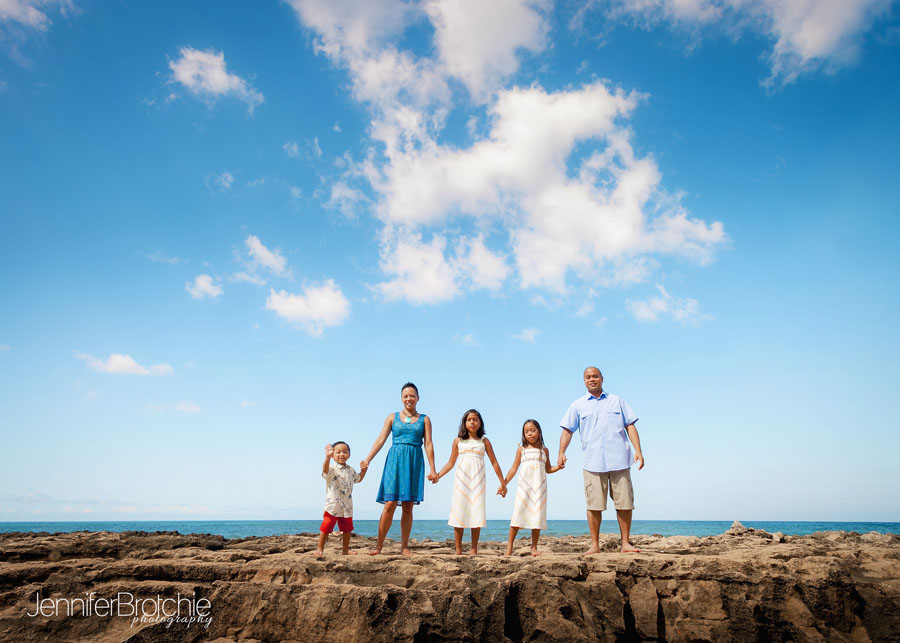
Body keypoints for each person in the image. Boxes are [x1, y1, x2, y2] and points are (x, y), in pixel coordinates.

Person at [558, 367, 645, 554]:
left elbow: (630, 425)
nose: (592, 379)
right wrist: (561, 452)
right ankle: (595, 545)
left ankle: (625, 544)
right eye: (588, 377)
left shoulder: (617, 401)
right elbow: (567, 430)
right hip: (593, 462)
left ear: (602, 379)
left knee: (625, 503)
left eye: (595, 376)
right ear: (584, 381)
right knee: (594, 505)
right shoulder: (577, 405)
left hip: (620, 459)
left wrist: (638, 450)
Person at [362, 382, 437, 556]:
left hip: (414, 460)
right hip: (395, 460)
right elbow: (380, 440)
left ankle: (404, 547)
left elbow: (429, 444)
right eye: (405, 396)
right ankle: (378, 546)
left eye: (412, 396)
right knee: (389, 504)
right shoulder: (392, 417)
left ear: (418, 398)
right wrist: (368, 459)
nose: (409, 398)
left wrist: (433, 469)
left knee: (408, 506)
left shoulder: (425, 419)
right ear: (401, 398)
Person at [433, 409, 507, 555]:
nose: (472, 422)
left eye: (475, 419)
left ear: (480, 423)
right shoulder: (458, 441)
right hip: (461, 482)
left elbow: (494, 462)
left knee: (476, 513)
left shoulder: (484, 441)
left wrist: (502, 483)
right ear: (464, 423)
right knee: (458, 512)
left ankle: (474, 549)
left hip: (478, 482)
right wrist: (438, 475)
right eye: (469, 420)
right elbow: (450, 463)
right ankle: (458, 550)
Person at [504, 419, 563, 556]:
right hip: (524, 488)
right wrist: (504, 483)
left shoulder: (544, 451)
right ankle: (509, 546)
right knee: (517, 515)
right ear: (523, 435)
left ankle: (534, 547)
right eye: (526, 432)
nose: (530, 433)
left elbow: (548, 469)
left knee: (537, 517)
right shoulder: (522, 450)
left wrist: (559, 467)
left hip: (539, 489)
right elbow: (513, 469)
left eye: (532, 430)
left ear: (539, 432)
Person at [316, 441, 367, 557]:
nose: (341, 454)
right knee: (327, 525)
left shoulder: (351, 470)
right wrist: (327, 457)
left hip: (347, 505)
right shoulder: (331, 468)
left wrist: (364, 470)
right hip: (333, 505)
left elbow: (358, 479)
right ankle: (320, 549)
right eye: (338, 452)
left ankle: (345, 549)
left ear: (349, 454)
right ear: (332, 455)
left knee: (347, 528)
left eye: (345, 452)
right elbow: (325, 470)